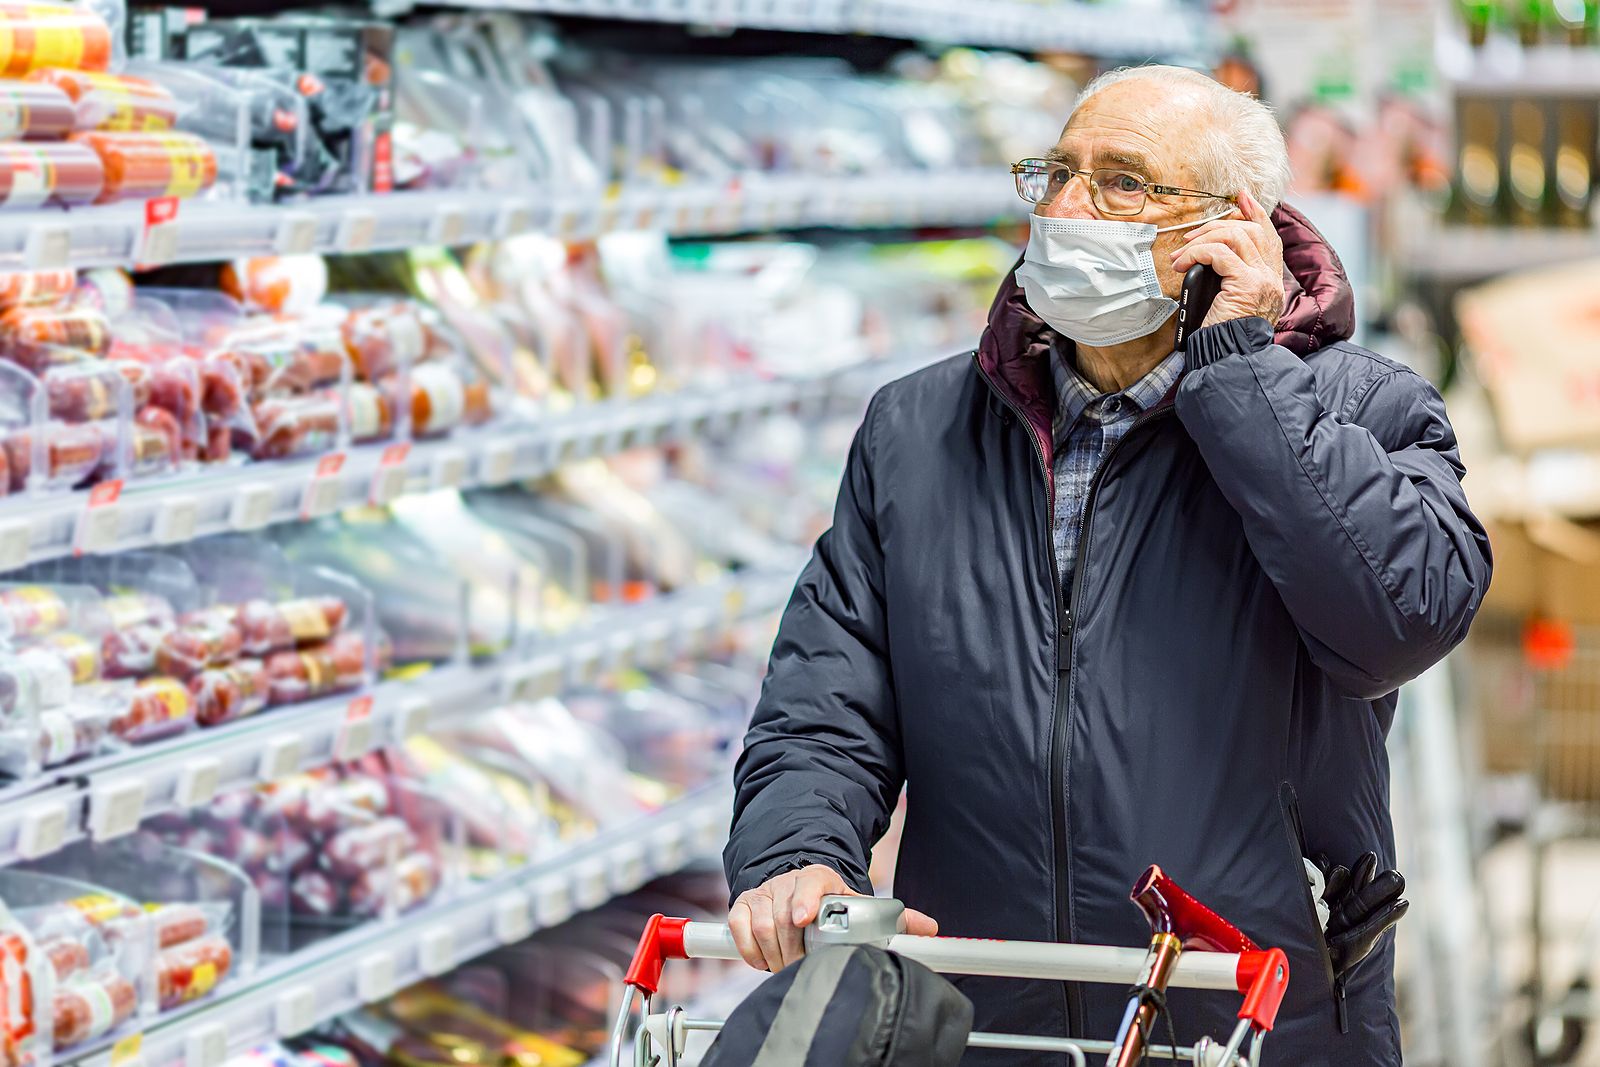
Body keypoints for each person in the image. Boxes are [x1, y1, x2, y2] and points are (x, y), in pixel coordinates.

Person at [722, 64, 1492, 1065]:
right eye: (1057, 173)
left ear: (1235, 228)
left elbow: (1401, 616)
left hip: (1250, 1019)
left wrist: (1245, 375)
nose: (1067, 206)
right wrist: (800, 854)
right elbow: (825, 703)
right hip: (981, 1024)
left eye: (1122, 181)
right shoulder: (916, 432)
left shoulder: (1361, 410)